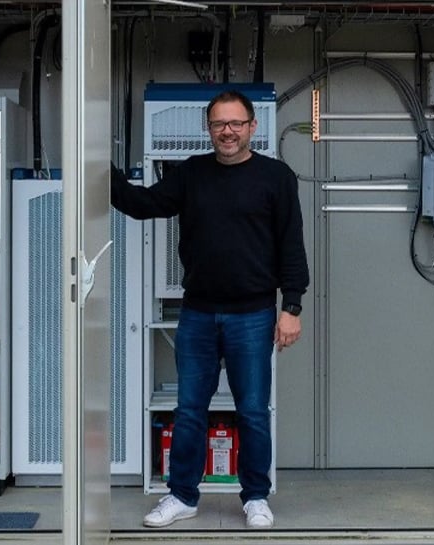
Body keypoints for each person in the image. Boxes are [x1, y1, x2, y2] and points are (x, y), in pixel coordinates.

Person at [111, 89, 309, 529]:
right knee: (189, 411)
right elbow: (144, 205)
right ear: (208, 129)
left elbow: (291, 247)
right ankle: (182, 496)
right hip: (198, 313)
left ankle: (255, 497)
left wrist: (291, 305)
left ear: (252, 127)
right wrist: (98, 168)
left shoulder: (277, 177)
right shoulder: (192, 174)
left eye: (236, 123)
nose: (228, 131)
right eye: (219, 124)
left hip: (254, 315)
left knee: (254, 411)